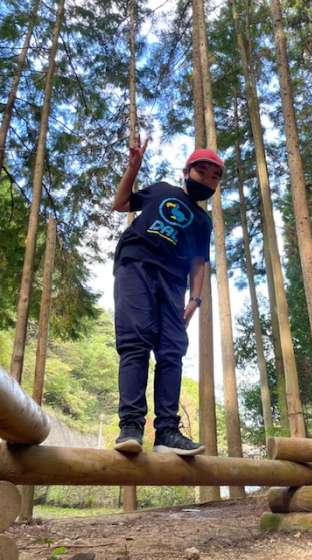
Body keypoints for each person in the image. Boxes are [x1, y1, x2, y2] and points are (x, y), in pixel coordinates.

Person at [112, 135, 223, 456]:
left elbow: (199, 263)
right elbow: (121, 203)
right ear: (186, 172)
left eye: (215, 177)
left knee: (172, 350)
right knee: (136, 341)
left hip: (174, 282)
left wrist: (195, 301)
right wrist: (133, 168)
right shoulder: (162, 191)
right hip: (137, 265)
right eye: (202, 172)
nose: (208, 180)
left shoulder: (203, 221)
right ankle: (131, 426)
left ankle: (167, 433)